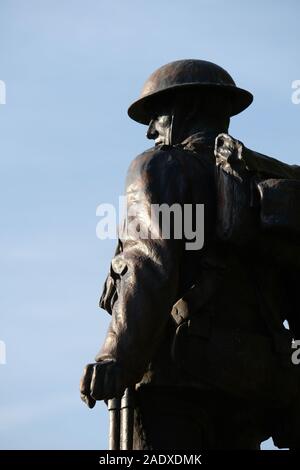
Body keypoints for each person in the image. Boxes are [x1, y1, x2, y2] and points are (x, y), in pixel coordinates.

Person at [80, 60, 300, 449]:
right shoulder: (266, 184)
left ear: (190, 108)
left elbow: (149, 265)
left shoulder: (159, 167)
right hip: (250, 387)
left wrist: (117, 355)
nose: (151, 130)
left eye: (157, 116)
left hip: (174, 381)